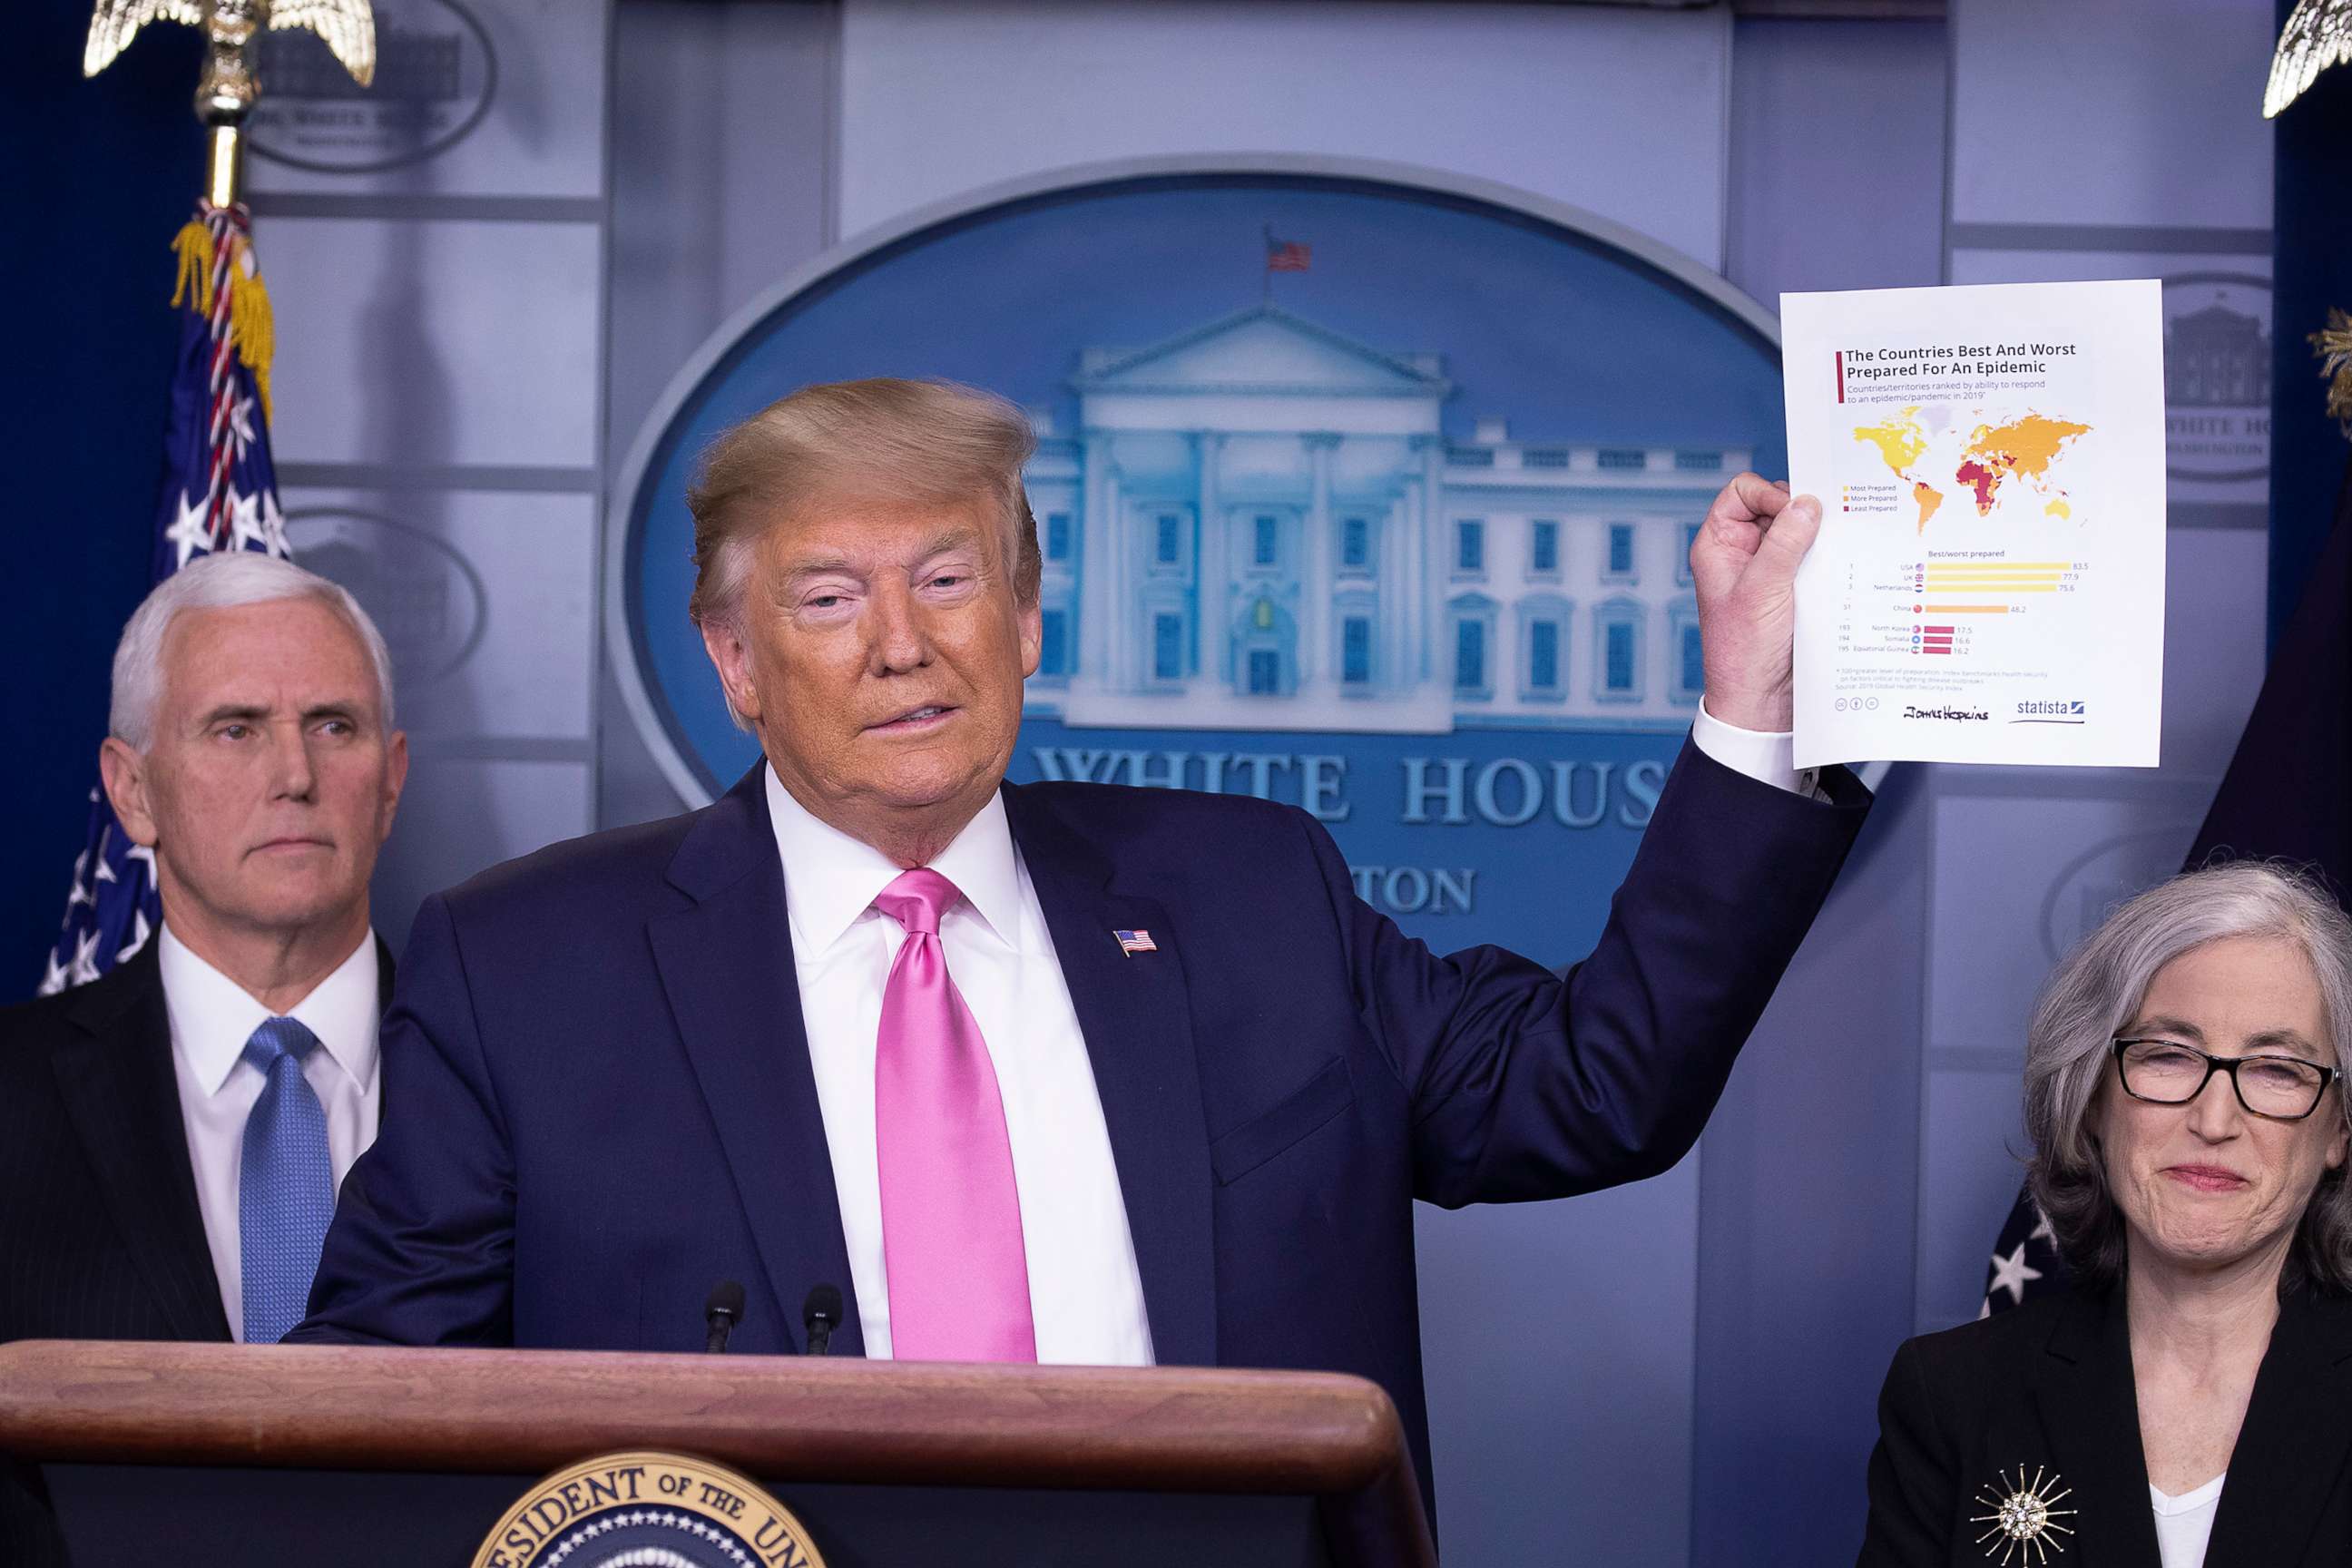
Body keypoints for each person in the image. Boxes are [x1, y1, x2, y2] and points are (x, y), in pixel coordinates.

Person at [292, 377, 1869, 1519]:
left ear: (1029, 619)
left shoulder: (1247, 894)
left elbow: (1597, 1083)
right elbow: (365, 1413)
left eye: (949, 578)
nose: (902, 642)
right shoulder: (528, 969)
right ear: (734, 660)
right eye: (830, 595)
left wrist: (1753, 706)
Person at [0, 551, 408, 1562]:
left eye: (333, 725)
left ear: (391, 778)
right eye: (235, 729)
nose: (295, 775)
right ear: (132, 791)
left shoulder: (528, 1085)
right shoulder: (9, 1100)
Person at [1858, 863, 2352, 1567]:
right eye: (2168, 1056)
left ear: (2339, 1129)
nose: (2215, 1120)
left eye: (2277, 1070)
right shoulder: (1954, 1397)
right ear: (2092, 1095)